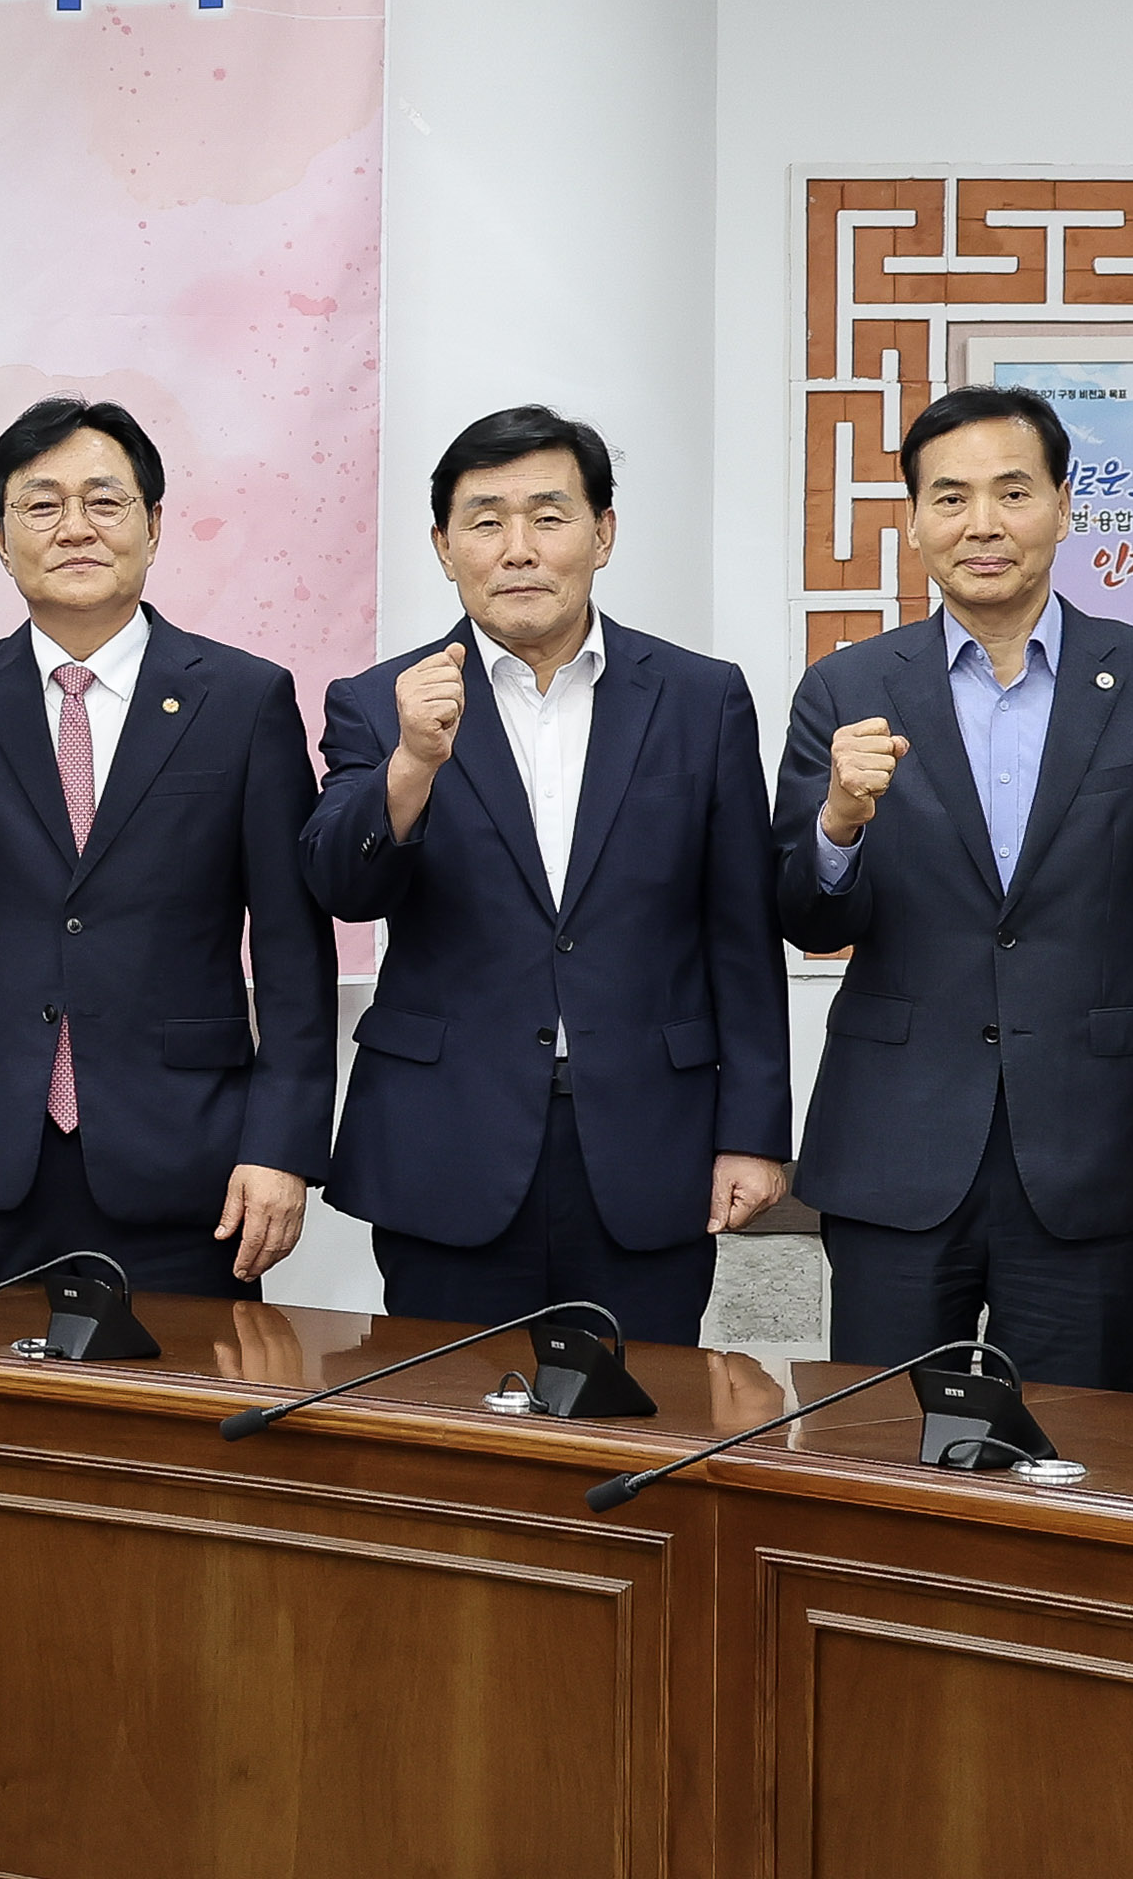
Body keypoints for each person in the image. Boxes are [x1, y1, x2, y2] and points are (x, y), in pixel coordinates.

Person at [773, 384, 1133, 1391]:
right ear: (913, 522)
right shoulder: (846, 688)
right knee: (879, 1448)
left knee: (1070, 1453)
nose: (981, 523)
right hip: (895, 1144)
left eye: (1012, 492)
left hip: (1094, 1150)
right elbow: (804, 918)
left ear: (1063, 508)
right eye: (949, 497)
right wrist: (838, 820)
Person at [0, 397, 328, 1295]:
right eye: (42, 505)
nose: (76, 528)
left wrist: (281, 1147)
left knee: (186, 1387)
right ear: (0, 538)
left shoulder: (244, 699)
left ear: (153, 524)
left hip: (185, 1155)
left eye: (104, 501)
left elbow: (293, 949)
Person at [303, 408, 786, 1344]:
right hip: (449, 1142)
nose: (518, 548)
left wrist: (754, 1131)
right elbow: (341, 888)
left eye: (548, 516)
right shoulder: (381, 701)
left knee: (639, 1410)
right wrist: (410, 766)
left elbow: (740, 928)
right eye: (486, 521)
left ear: (602, 533)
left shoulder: (701, 697)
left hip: (652, 1138)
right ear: (444, 547)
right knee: (449, 1418)